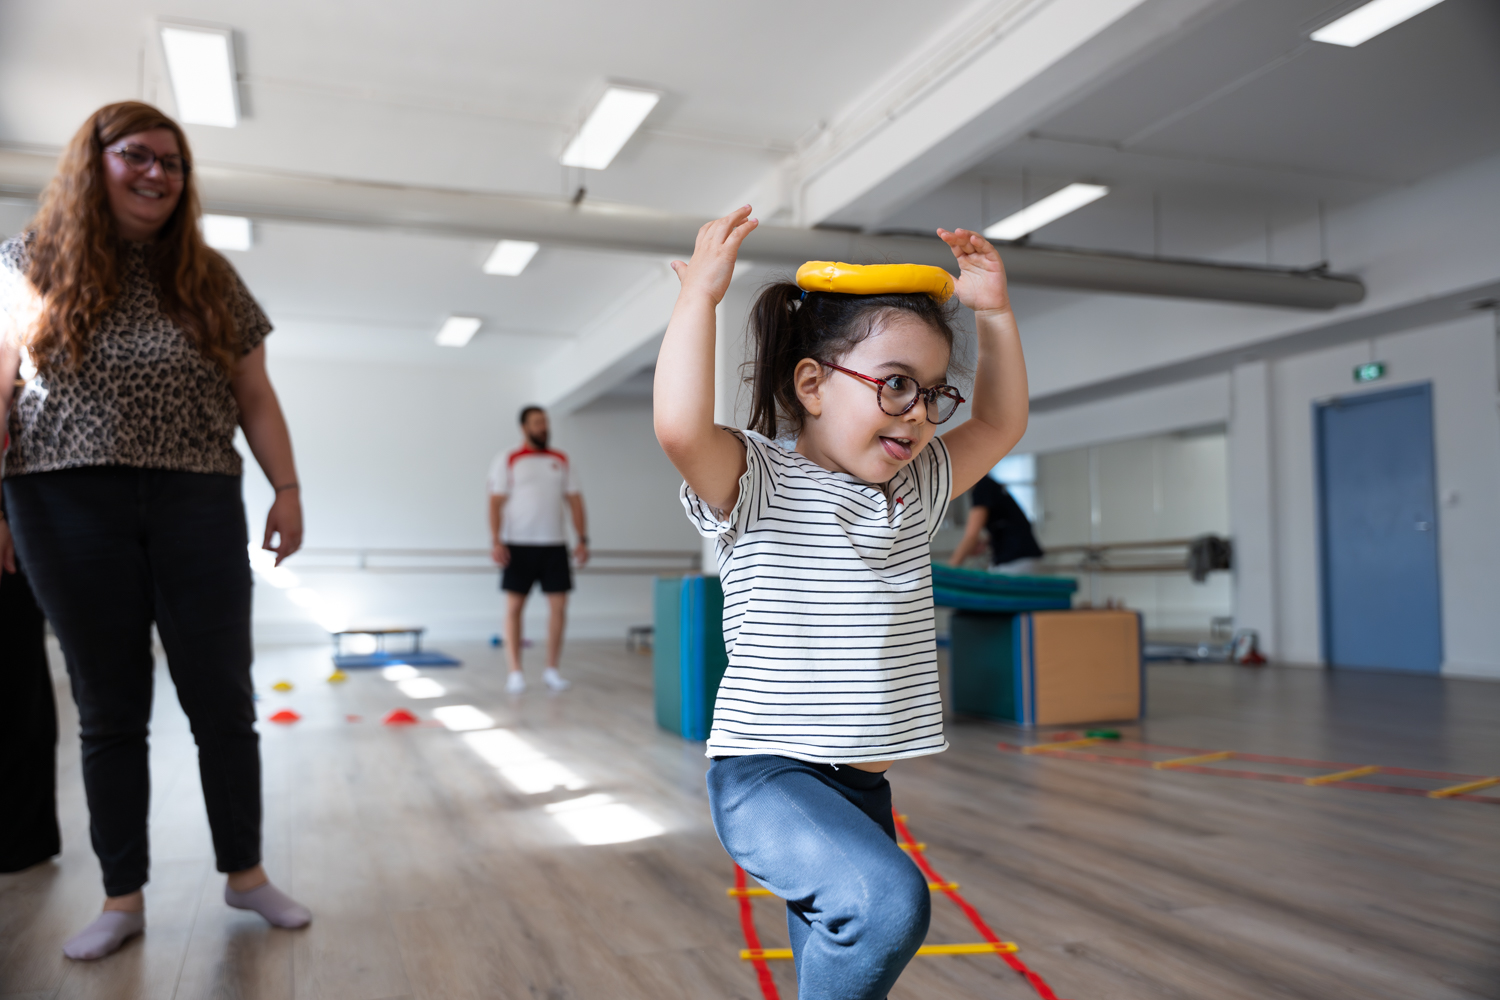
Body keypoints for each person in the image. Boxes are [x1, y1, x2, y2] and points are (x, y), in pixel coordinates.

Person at [654, 206, 1028, 999]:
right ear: (813, 384)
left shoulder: (915, 491)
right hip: (767, 778)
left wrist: (994, 313)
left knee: (845, 954)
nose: (918, 411)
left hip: (860, 785)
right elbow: (681, 429)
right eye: (895, 385)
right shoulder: (760, 481)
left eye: (932, 393)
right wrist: (700, 301)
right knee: (886, 905)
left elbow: (999, 421)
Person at [0, 101, 311, 961]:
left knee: (222, 695)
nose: (157, 174)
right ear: (92, 163)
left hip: (197, 496)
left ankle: (245, 874)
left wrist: (287, 489)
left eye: (172, 163)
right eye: (137, 155)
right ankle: (122, 898)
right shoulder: (28, 263)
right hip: (63, 501)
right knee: (109, 704)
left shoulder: (208, 277)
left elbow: (255, 395)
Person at [487, 405, 588, 694]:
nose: (542, 427)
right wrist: (496, 540)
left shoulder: (561, 459)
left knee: (559, 608)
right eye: (536, 423)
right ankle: (515, 672)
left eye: (544, 422)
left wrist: (582, 539)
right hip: (518, 544)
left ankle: (552, 670)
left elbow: (575, 501)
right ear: (524, 428)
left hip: (554, 545)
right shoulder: (508, 459)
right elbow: (495, 502)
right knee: (514, 608)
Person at [949, 473, 1043, 573]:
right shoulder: (991, 485)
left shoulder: (983, 486)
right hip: (1022, 555)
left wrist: (949, 569)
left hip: (1015, 558)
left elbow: (971, 536)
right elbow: (1007, 523)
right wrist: (986, 542)